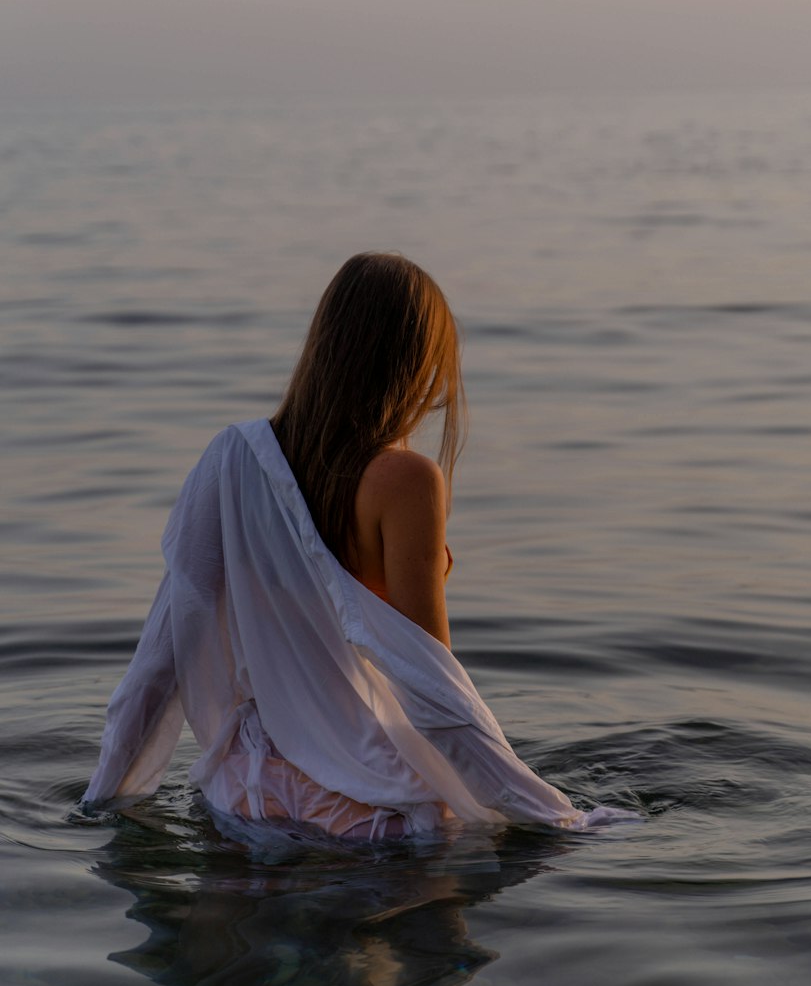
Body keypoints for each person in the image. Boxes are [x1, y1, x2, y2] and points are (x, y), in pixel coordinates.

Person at [84, 253, 624, 841]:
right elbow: (435, 690)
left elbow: (161, 657)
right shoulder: (407, 481)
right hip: (365, 808)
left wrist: (103, 800)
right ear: (414, 366)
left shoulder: (229, 458)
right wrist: (557, 817)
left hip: (244, 789)